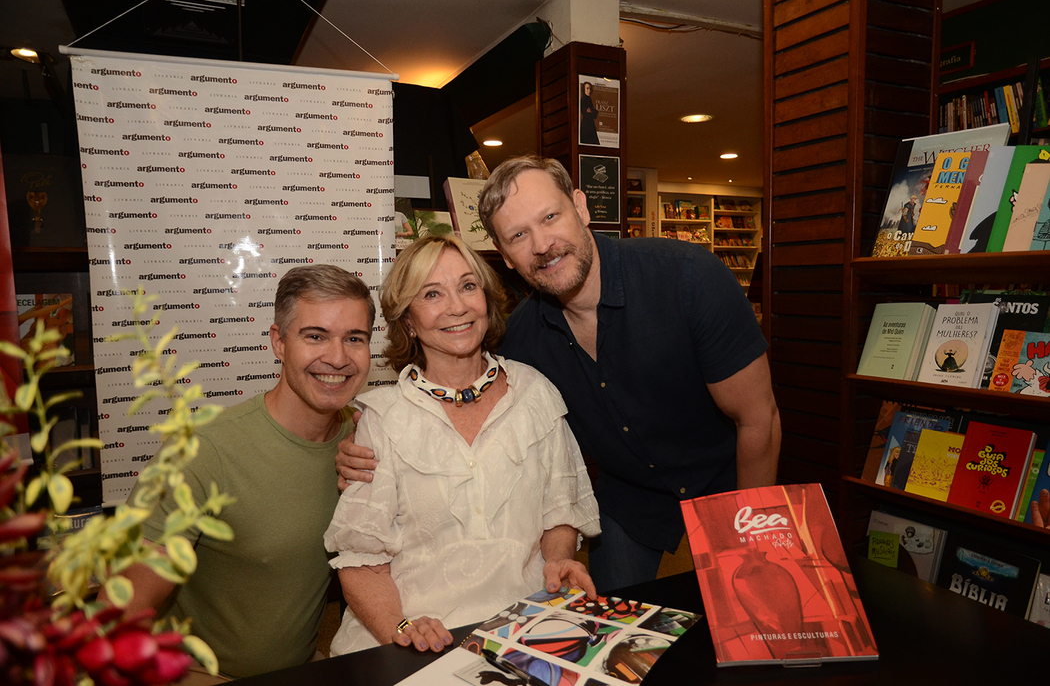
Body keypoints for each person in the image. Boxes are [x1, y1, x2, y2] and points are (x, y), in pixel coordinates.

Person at [337, 156, 780, 594]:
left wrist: (749, 532)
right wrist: (373, 445)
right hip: (629, 498)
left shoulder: (688, 278)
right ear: (506, 257)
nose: (543, 243)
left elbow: (758, 420)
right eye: (518, 235)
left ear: (582, 208)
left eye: (550, 216)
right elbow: (465, 394)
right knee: (610, 628)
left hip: (730, 476)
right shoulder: (521, 339)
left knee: (746, 607)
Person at [323, 235, 600, 655]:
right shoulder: (382, 417)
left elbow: (559, 509)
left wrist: (559, 557)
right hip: (416, 636)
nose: (457, 307)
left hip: (523, 626)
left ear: (487, 300)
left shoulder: (534, 393)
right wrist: (402, 627)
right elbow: (362, 561)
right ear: (408, 320)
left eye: (468, 286)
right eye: (432, 293)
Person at [113, 265, 374, 682]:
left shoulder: (365, 438)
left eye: (354, 339)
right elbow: (128, 600)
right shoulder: (203, 450)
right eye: (315, 336)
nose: (338, 358)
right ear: (279, 342)